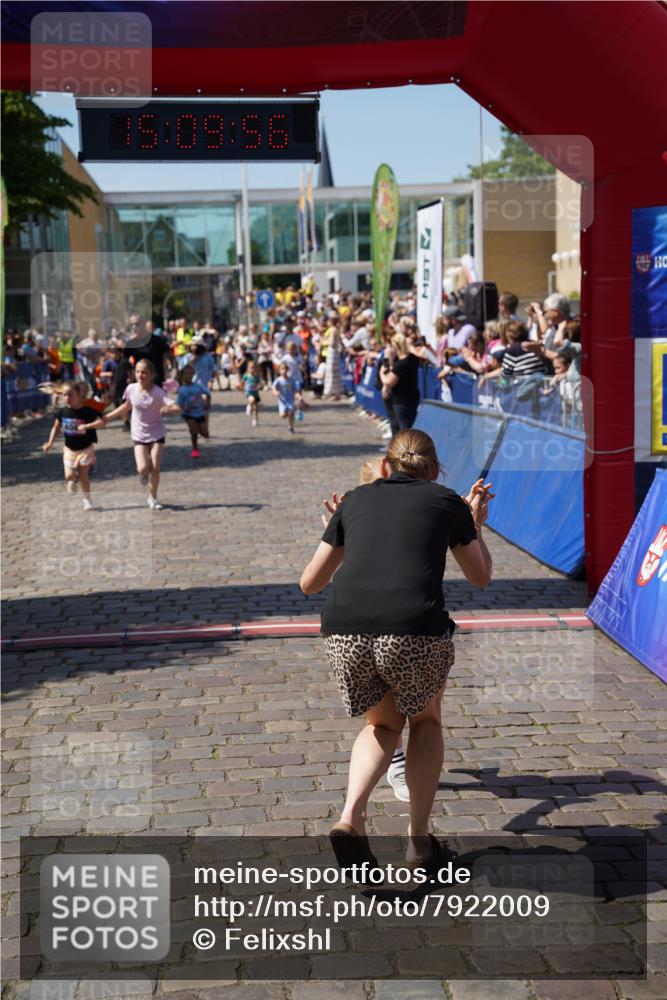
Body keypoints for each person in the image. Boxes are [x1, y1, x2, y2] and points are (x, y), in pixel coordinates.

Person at [300, 429, 493, 872]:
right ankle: (419, 845)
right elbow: (480, 576)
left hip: (345, 632)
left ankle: (351, 816)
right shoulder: (447, 502)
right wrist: (474, 523)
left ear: (385, 467)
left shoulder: (354, 500)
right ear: (435, 470)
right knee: (425, 722)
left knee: (383, 726)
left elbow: (309, 583)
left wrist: (348, 533)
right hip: (413, 631)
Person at [85, 359, 178, 510]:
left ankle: (152, 497)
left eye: (144, 372)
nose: (140, 375)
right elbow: (126, 406)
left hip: (156, 433)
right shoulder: (131, 389)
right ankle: (143, 475)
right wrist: (107, 417)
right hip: (139, 433)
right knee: (142, 468)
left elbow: (176, 407)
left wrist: (169, 410)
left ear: (152, 374)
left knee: (155, 466)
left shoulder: (158, 392)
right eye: (138, 372)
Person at [42, 381, 100, 511]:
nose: (67, 398)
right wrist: (50, 443)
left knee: (84, 474)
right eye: (65, 395)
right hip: (70, 449)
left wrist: (89, 426)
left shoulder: (87, 411)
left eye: (70, 395)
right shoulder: (63, 412)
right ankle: (73, 480)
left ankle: (87, 499)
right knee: (69, 475)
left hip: (85, 448)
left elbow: (101, 422)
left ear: (79, 395)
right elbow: (56, 428)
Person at [379, 332, 421, 432]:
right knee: (409, 426)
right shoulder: (413, 359)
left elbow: (388, 382)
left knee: (403, 428)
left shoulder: (401, 364)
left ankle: (404, 447)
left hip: (401, 401)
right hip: (413, 397)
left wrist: (381, 373)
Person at [176, 363, 210, 457]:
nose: (189, 376)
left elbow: (208, 394)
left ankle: (199, 428)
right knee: (193, 432)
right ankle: (195, 449)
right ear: (182, 375)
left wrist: (207, 403)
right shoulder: (182, 390)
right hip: (189, 414)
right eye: (186, 373)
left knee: (205, 434)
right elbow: (179, 403)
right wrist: (184, 408)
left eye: (191, 373)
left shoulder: (198, 386)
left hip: (199, 413)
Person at [272, 360, 300, 433]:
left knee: (291, 412)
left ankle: (291, 427)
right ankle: (290, 416)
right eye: (282, 369)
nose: (284, 371)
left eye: (285, 369)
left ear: (288, 370)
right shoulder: (278, 380)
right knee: (283, 415)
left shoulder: (291, 380)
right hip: (282, 401)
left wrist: (298, 396)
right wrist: (276, 393)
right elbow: (273, 388)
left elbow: (295, 390)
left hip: (290, 400)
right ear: (279, 370)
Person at [242, 359, 261, 427]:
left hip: (255, 393)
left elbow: (259, 384)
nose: (252, 369)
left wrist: (260, 386)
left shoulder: (256, 376)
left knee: (256, 408)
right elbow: (242, 383)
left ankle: (255, 419)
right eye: (251, 367)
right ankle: (249, 406)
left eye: (254, 367)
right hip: (248, 393)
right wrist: (241, 388)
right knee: (251, 399)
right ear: (248, 368)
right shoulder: (246, 376)